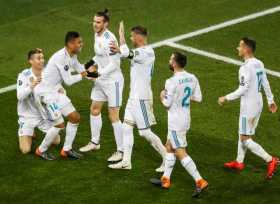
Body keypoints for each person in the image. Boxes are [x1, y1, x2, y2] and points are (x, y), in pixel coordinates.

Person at [108, 22, 166, 172]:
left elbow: (128, 54)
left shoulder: (147, 52)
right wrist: (119, 49)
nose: (130, 37)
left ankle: (167, 158)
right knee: (127, 128)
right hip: (133, 98)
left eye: (132, 35)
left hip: (141, 98)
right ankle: (126, 162)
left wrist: (120, 36)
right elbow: (126, 54)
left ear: (139, 37)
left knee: (144, 132)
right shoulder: (140, 51)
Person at [218, 37, 278, 179]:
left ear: (246, 49)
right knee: (243, 132)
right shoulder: (259, 63)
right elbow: (265, 82)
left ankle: (270, 159)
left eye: (240, 46)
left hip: (249, 107)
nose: (237, 49)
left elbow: (243, 89)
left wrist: (226, 97)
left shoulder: (245, 68)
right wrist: (271, 100)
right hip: (258, 103)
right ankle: (239, 162)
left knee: (245, 138)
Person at [150, 52, 208, 198]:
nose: (169, 61)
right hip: (185, 118)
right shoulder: (192, 77)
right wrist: (184, 97)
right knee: (169, 146)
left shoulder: (171, 81)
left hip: (176, 121)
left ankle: (199, 180)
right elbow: (199, 98)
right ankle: (165, 179)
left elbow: (167, 104)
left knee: (180, 151)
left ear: (175, 64)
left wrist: (162, 96)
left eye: (171, 59)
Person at [79, 9, 125, 163]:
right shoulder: (96, 35)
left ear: (106, 24)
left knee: (113, 115)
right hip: (102, 80)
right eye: (94, 21)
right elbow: (99, 56)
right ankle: (95, 142)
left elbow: (116, 63)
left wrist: (98, 73)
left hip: (113, 82)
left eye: (98, 22)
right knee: (95, 109)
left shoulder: (110, 40)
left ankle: (121, 151)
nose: (95, 24)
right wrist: (89, 64)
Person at [17, 48, 60, 155]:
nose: (42, 60)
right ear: (30, 61)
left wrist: (61, 91)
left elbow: (58, 88)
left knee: (56, 141)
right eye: (38, 58)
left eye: (42, 58)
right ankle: (26, 130)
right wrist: (32, 85)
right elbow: (20, 97)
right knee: (25, 150)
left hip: (42, 115)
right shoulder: (24, 75)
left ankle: (32, 131)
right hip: (27, 117)